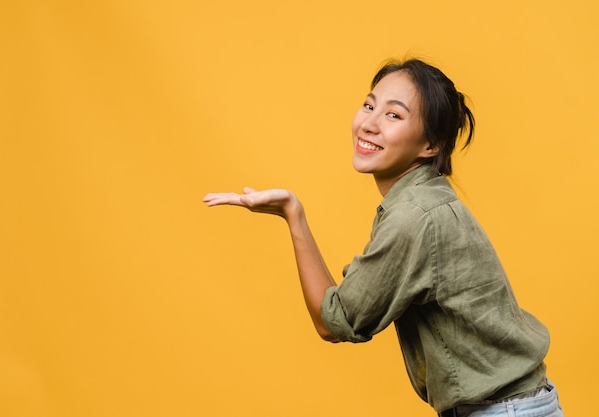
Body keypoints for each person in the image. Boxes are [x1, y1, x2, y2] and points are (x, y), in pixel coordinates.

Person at [202, 58, 564, 417]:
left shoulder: (414, 217)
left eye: (394, 115)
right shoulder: (427, 201)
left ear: (431, 145)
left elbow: (334, 322)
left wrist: (293, 216)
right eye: (369, 105)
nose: (369, 124)